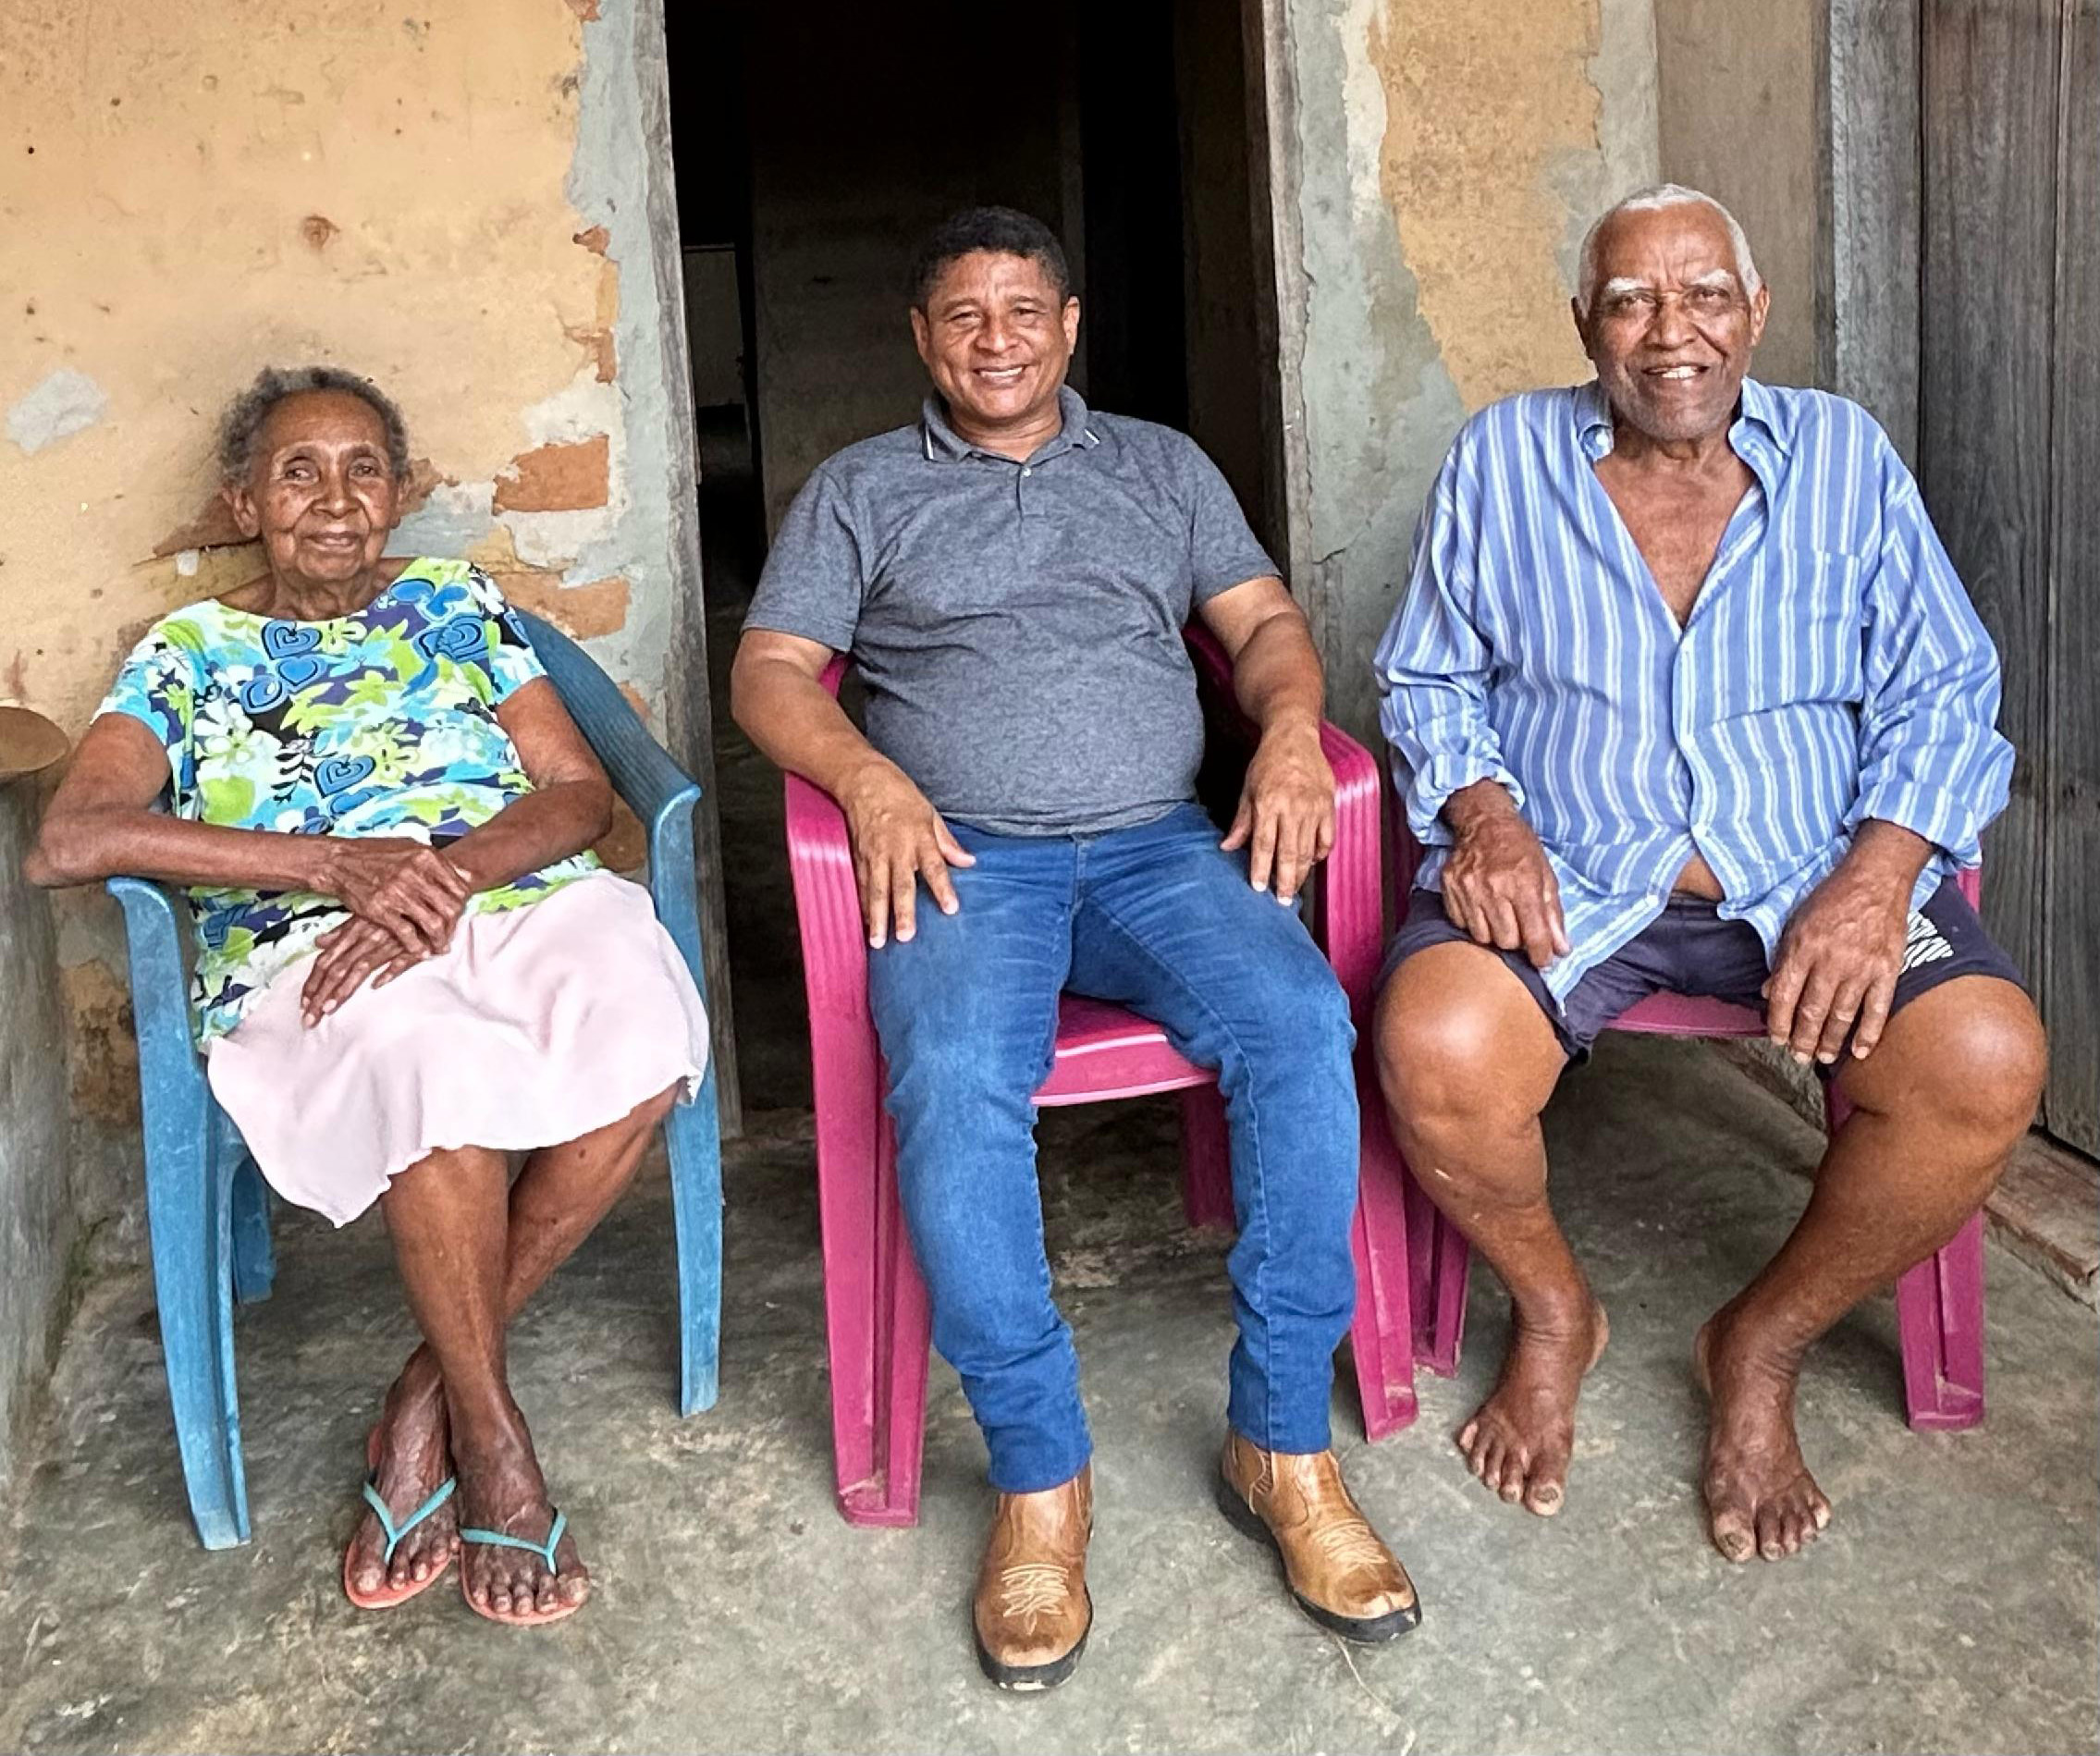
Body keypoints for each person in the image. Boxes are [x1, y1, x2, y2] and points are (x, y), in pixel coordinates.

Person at [731, 206, 1417, 1688]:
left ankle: (1282, 1443)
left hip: (1161, 849)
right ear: (922, 338)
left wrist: (1290, 729)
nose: (998, 340)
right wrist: (866, 778)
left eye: (1024, 310)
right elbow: (772, 672)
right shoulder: (861, 490)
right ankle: (1041, 1476)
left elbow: (1262, 623)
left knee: (1301, 1024)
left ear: (1070, 325)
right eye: (964, 315)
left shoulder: (1161, 467)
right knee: (956, 1073)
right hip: (963, 859)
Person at [1371, 185, 2047, 1564]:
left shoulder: (1844, 457)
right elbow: (1426, 676)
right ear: (1584, 324)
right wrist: (1485, 815)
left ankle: (1762, 1341)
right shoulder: (1503, 457)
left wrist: (1877, 880)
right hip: (1569, 870)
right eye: (1631, 301)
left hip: (1809, 872)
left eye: (1705, 296)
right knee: (1435, 1047)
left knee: (1984, 1065)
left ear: (1756, 313)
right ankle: (1557, 1310)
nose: (1669, 332)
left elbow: (1944, 689)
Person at [27, 366, 710, 1626]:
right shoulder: (190, 652)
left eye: (363, 472)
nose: (335, 501)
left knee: (648, 1021)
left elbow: (576, 796)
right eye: (298, 473)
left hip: (502, 895)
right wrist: (334, 868)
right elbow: (68, 839)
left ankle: (423, 1396)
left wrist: (441, 880)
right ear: (243, 502)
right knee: (427, 1069)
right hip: (313, 942)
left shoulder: (454, 603)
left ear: (399, 494)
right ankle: (494, 1440)